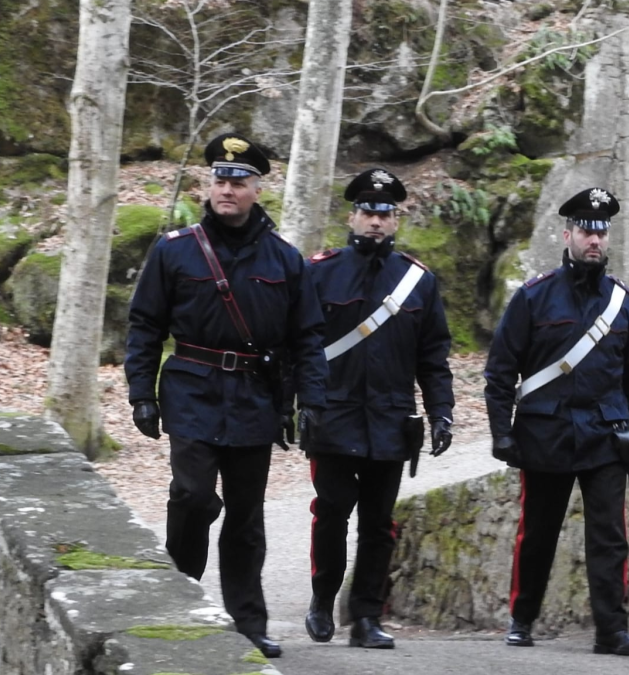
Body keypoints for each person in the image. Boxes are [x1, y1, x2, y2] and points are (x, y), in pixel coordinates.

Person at [124, 132, 328, 659]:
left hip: (255, 397)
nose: (227, 190)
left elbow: (307, 337)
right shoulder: (175, 250)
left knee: (245, 516)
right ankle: (180, 605)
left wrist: (310, 402)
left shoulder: (285, 260)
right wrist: (140, 393)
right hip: (191, 389)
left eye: (238, 181)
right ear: (208, 186)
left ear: (257, 189)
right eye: (219, 180)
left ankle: (248, 621)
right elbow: (145, 325)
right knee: (192, 497)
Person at [483, 187, 629, 657]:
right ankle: (522, 620)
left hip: (607, 437)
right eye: (586, 231)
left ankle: (612, 632)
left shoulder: (624, 305)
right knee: (537, 534)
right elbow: (500, 371)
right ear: (568, 235)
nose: (594, 240)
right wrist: (502, 431)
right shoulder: (534, 297)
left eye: (601, 232)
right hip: (546, 434)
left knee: (610, 538)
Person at [299, 168, 455, 649]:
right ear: (353, 216)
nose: (375, 221)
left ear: (395, 220)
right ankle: (323, 598)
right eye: (368, 212)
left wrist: (441, 413)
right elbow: (299, 345)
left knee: (378, 524)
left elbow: (433, 358)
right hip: (333, 416)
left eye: (384, 213)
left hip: (390, 420)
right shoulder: (319, 272)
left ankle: (366, 616)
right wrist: (296, 402)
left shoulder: (417, 281)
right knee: (331, 513)